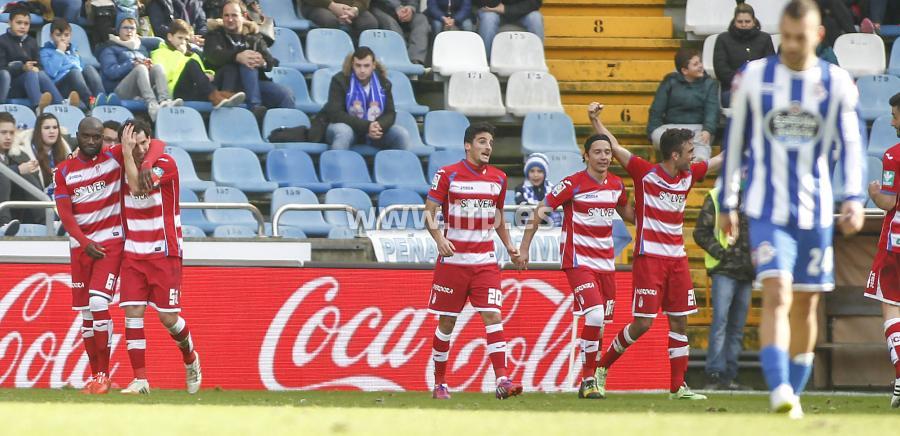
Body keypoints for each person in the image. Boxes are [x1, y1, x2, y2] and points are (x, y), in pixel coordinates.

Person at [718, 0, 865, 417]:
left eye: (802, 38)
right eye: (787, 37)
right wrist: (729, 201)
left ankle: (793, 391)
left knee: (806, 302)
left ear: (818, 35)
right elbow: (735, 143)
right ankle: (779, 387)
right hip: (765, 207)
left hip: (815, 212)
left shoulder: (836, 82)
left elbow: (851, 143)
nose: (793, 46)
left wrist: (852, 196)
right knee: (778, 292)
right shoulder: (753, 78)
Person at [590, 103, 723, 400]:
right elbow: (615, 147)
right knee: (643, 324)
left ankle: (678, 387)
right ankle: (601, 367)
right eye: (689, 151)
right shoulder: (644, 173)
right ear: (675, 155)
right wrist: (595, 119)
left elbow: (718, 161)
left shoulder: (689, 176)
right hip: (649, 258)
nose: (694, 156)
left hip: (677, 260)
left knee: (680, 320)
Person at [515, 133, 634, 399]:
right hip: (578, 262)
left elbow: (630, 215)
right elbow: (540, 211)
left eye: (607, 152)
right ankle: (589, 378)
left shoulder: (616, 184)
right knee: (593, 316)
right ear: (586, 155)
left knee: (600, 324)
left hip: (606, 263)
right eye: (598, 152)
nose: (604, 157)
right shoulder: (572, 184)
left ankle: (589, 380)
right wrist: (524, 248)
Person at [425, 122, 523, 400]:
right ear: (468, 145)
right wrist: (439, 240)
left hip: (484, 262)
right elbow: (429, 211)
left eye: (490, 142)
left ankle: (502, 380)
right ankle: (440, 383)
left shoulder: (498, 178)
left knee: (493, 316)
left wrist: (510, 246)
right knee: (447, 323)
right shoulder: (447, 174)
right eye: (482, 141)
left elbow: (498, 216)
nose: (487, 147)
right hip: (453, 263)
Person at [118, 119, 202, 395]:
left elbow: (138, 188)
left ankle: (190, 358)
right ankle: (140, 380)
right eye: (135, 144)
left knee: (168, 317)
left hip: (163, 250)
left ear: (150, 140)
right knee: (132, 312)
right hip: (133, 251)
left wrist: (130, 155)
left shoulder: (166, 164)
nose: (141, 148)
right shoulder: (122, 161)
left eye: (144, 143)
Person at [52, 117, 127, 394]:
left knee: (98, 302)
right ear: (78, 135)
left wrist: (127, 134)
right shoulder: (63, 171)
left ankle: (104, 374)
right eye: (88, 137)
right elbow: (66, 214)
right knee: (85, 313)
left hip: (110, 244)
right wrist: (83, 243)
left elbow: (155, 145)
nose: (94, 142)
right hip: (81, 249)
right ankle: (97, 377)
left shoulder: (113, 158)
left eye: (99, 137)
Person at [693, 186, 753, 391]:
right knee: (721, 322)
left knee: (735, 327)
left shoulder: (756, 193)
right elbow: (700, 232)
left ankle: (729, 376)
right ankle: (715, 374)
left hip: (746, 271)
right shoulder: (716, 195)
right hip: (724, 270)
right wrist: (721, 253)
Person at [864, 92, 900, 409]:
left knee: (891, 308)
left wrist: (874, 192)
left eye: (896, 115)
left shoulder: (892, 156)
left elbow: (889, 201)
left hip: (896, 245)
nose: (891, 121)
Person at [203, 0, 293, 114]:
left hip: (253, 84)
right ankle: (255, 107)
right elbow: (213, 55)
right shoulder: (214, 35)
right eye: (226, 15)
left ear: (244, 16)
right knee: (247, 60)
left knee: (285, 94)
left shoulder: (253, 37)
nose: (230, 19)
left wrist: (262, 62)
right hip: (226, 84)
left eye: (234, 15)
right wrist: (237, 56)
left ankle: (285, 129)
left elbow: (270, 62)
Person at [323, 47, 411, 151]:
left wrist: (378, 126)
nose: (362, 70)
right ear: (352, 64)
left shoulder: (384, 83)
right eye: (358, 65)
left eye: (366, 66)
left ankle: (396, 167)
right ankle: (336, 166)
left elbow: (390, 113)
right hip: (348, 128)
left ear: (373, 65)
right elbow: (335, 114)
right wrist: (367, 126)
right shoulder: (340, 80)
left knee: (401, 134)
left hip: (373, 131)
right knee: (343, 132)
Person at [98, 17, 183, 121]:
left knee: (157, 67)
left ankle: (165, 101)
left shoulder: (141, 48)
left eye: (132, 28)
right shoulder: (110, 48)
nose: (129, 31)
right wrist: (132, 64)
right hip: (120, 90)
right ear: (118, 30)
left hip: (140, 88)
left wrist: (149, 66)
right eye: (125, 28)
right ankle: (152, 105)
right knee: (140, 68)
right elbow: (111, 72)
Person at [151, 19, 246, 108]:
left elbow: (201, 73)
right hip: (176, 90)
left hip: (196, 89)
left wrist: (209, 74)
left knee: (228, 68)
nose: (183, 42)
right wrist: (180, 54)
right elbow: (163, 76)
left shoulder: (193, 55)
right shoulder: (159, 52)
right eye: (180, 38)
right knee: (191, 64)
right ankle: (218, 97)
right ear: (170, 37)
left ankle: (224, 95)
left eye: (186, 39)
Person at [647, 48, 719, 162]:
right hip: (671, 129)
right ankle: (680, 163)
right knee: (658, 135)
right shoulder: (670, 81)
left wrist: (708, 130)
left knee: (701, 143)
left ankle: (696, 167)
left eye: (700, 62)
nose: (701, 66)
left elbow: (712, 110)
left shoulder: (709, 84)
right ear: (685, 70)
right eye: (695, 64)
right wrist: (652, 131)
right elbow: (657, 108)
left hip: (697, 130)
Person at [0, 7, 66, 110]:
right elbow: (1, 68)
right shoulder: (2, 41)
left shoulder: (32, 41)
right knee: (31, 73)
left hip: (31, 84)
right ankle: (39, 107)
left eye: (26, 24)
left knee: (39, 73)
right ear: (9, 22)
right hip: (11, 86)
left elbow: (39, 64)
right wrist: (22, 68)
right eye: (19, 23)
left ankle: (61, 105)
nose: (22, 26)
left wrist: (37, 68)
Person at [713, 3, 775, 107]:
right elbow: (721, 69)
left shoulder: (765, 38)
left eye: (747, 21)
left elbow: (770, 65)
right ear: (734, 22)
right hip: (732, 89)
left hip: (760, 89)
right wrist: (741, 82)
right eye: (740, 21)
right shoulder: (723, 39)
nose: (744, 24)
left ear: (754, 21)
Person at [40, 18, 104, 107]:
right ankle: (90, 101)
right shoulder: (45, 52)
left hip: (78, 85)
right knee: (74, 72)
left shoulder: (73, 51)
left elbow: (81, 68)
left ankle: (102, 99)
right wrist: (59, 52)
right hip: (60, 86)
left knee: (89, 68)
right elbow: (51, 72)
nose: (63, 38)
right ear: (51, 36)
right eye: (58, 35)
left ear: (70, 36)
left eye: (66, 35)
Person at [13, 113, 72, 194]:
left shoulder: (66, 145)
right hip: (39, 201)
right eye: (47, 128)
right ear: (38, 131)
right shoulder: (23, 153)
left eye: (55, 127)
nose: (52, 131)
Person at [371, 0, 430, 66]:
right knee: (391, 24)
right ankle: (402, 60)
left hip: (404, 9)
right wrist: (398, 7)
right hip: (381, 9)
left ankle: (414, 62)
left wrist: (411, 8)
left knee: (421, 20)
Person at [476, 0, 543, 55]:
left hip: (521, 13)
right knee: (488, 18)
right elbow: (484, 3)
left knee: (535, 18)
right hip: (493, 11)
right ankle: (486, 61)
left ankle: (537, 59)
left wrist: (506, 9)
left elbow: (535, 3)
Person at [514, 152, 559, 226]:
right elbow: (522, 205)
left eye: (540, 171)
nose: (536, 175)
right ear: (527, 173)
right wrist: (544, 209)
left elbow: (555, 207)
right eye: (532, 171)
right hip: (526, 227)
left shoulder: (552, 189)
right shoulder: (520, 188)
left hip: (549, 229)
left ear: (545, 174)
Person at [301, 0, 379, 40]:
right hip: (317, 5)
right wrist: (331, 5)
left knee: (369, 22)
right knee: (329, 20)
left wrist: (355, 9)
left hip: (349, 8)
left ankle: (357, 58)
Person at [0, 113, 22, 236]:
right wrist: (17, 170)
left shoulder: (12, 155)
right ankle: (4, 224)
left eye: (11, 133)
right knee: (4, 175)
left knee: (26, 174)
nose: (8, 137)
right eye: (3, 133)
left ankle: (47, 221)